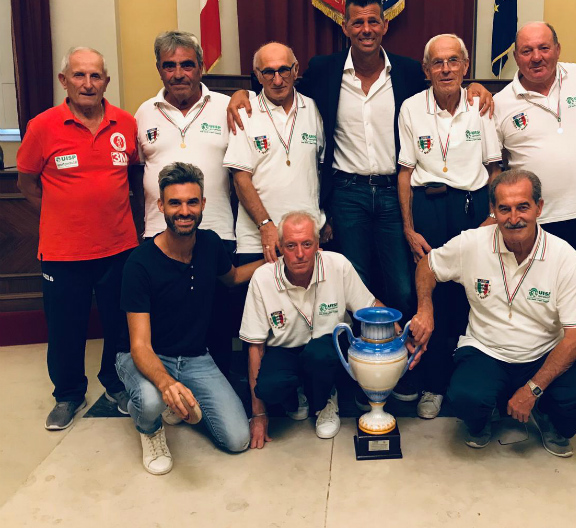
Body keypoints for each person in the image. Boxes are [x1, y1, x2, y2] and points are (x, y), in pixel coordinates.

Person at [226, 0, 493, 336]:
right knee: (354, 284)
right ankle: (361, 360)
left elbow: (446, 85)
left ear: (384, 25)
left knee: (403, 285)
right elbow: (278, 84)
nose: (366, 29)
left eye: (373, 21)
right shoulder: (324, 70)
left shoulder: (408, 71)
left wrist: (476, 88)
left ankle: (400, 355)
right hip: (347, 194)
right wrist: (241, 93)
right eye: (358, 22)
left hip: (393, 191)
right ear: (345, 27)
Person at [410, 170, 576, 454]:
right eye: (505, 209)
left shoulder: (564, 257)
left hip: (543, 353)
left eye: (523, 207)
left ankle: (548, 416)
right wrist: (425, 309)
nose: (514, 218)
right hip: (486, 350)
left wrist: (533, 389)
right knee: (465, 397)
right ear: (493, 210)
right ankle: (484, 419)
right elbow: (427, 265)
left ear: (539, 207)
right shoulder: (473, 243)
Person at [16, 46, 138, 430]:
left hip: (119, 248)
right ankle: (68, 394)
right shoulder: (42, 126)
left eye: (95, 76)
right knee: (65, 329)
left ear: (106, 81)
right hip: (62, 252)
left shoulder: (126, 124)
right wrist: (60, 215)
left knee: (120, 325)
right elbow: (26, 184)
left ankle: (115, 383)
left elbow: (134, 176)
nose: (88, 83)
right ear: (64, 80)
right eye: (79, 75)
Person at [116, 162, 264, 475]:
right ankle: (148, 425)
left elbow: (233, 277)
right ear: (161, 206)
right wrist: (166, 383)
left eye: (192, 202)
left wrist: (275, 259)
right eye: (175, 203)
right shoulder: (139, 263)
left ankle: (170, 399)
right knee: (150, 401)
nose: (184, 211)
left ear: (203, 204)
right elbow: (140, 345)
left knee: (238, 439)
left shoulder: (210, 244)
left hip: (195, 358)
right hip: (143, 355)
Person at [397, 33, 501, 419]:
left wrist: (492, 219)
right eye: (437, 63)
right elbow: (404, 172)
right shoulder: (411, 108)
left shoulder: (480, 105)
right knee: (428, 295)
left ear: (465, 66)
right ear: (426, 70)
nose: (446, 69)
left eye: (453, 61)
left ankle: (461, 381)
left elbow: (495, 169)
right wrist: (409, 228)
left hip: (472, 210)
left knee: (468, 295)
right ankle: (432, 385)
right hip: (427, 208)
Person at [133, 31, 237, 376]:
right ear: (159, 69)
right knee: (166, 326)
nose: (179, 73)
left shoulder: (227, 106)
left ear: (202, 67)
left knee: (217, 325)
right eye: (170, 66)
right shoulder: (144, 113)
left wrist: (243, 94)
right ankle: (170, 388)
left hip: (217, 233)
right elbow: (135, 173)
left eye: (187, 65)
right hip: (159, 236)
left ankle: (218, 390)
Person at [240, 211, 386, 446]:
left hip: (328, 347)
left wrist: (398, 331)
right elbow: (254, 346)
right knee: (267, 388)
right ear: (280, 247)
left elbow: (369, 307)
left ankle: (326, 399)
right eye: (291, 246)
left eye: (307, 244)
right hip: (285, 348)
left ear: (318, 245)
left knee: (319, 355)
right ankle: (297, 392)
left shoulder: (337, 264)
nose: (300, 254)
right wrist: (259, 414)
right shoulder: (262, 278)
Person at [494, 22, 576, 303]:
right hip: (534, 221)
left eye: (544, 48)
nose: (536, 57)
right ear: (516, 57)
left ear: (557, 49)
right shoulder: (500, 103)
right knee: (537, 301)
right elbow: (492, 168)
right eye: (527, 51)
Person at [223, 42, 325, 265]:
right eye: (269, 72)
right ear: (258, 75)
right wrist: (265, 225)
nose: (277, 80)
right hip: (258, 240)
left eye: (284, 70)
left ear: (296, 70)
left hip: (306, 238)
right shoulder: (244, 113)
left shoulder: (314, 109)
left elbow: (323, 170)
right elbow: (240, 179)